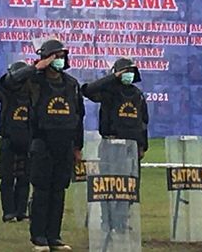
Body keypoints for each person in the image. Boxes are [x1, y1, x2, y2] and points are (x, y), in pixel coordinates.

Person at [24, 38, 84, 252]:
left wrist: (78, 147)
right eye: (55, 56)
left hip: (65, 145)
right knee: (41, 191)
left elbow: (79, 116)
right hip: (42, 142)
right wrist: (34, 68)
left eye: (62, 56)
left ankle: (54, 236)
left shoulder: (71, 84)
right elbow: (10, 82)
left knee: (59, 191)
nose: (60, 60)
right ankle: (38, 237)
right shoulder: (35, 81)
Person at [82, 57, 148, 237]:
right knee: (109, 184)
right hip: (111, 144)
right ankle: (107, 221)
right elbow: (87, 90)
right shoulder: (108, 92)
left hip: (132, 147)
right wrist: (113, 77)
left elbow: (143, 122)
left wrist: (143, 146)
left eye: (130, 71)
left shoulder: (137, 94)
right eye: (124, 72)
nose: (128, 75)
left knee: (129, 185)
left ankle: (122, 222)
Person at [0, 59, 34, 222]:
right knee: (7, 178)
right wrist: (8, 81)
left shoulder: (33, 92)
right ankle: (9, 212)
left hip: (28, 141)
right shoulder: (6, 92)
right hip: (8, 140)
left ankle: (21, 211)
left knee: (25, 178)